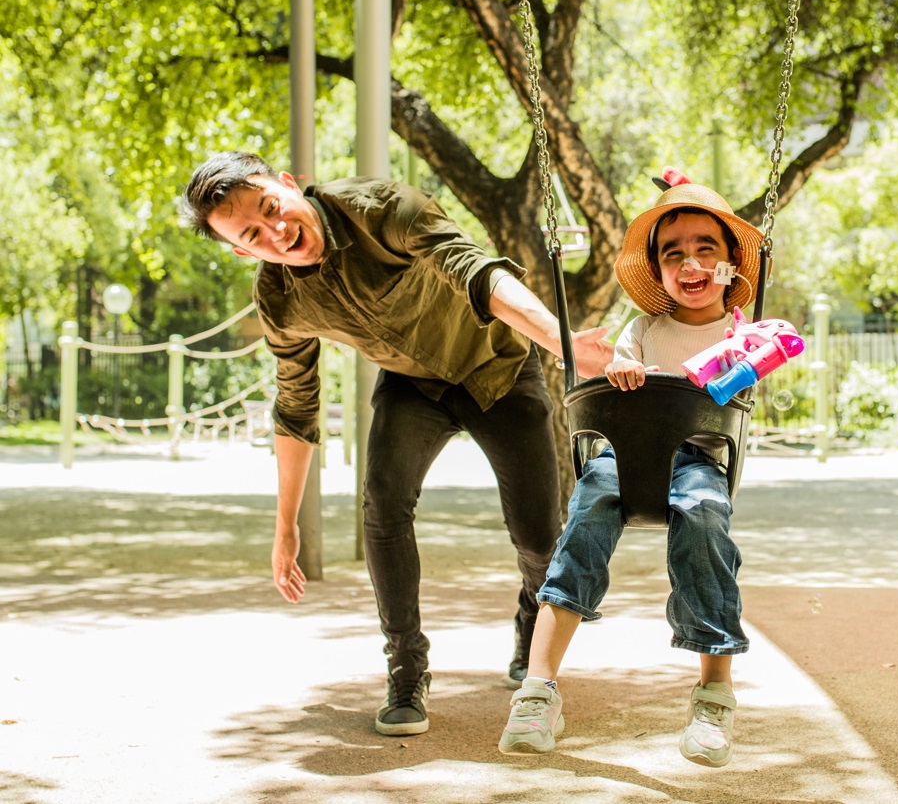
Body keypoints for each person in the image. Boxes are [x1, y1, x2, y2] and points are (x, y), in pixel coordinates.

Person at [179, 152, 612, 737]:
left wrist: (564, 343)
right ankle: (406, 667)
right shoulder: (280, 300)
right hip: (413, 387)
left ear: (286, 184)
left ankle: (533, 617)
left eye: (271, 208)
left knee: (538, 537)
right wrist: (285, 527)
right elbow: (297, 407)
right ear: (242, 251)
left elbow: (476, 271)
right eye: (253, 234)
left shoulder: (381, 207)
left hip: (498, 367)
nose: (276, 231)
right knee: (382, 507)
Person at [497, 170, 764, 767]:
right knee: (585, 519)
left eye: (705, 250)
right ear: (660, 270)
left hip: (696, 458)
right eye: (674, 254)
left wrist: (748, 355)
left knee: (702, 519)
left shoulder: (741, 331)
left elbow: (752, 370)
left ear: (728, 266)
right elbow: (619, 373)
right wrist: (623, 373)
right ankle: (537, 691)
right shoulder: (643, 329)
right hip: (624, 455)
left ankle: (714, 699)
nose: (690, 263)